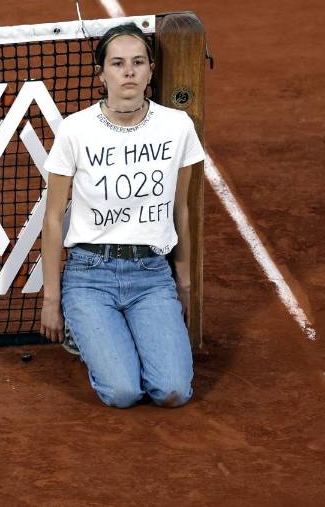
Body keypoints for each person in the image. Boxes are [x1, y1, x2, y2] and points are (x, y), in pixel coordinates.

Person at [41, 22, 205, 408]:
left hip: (151, 276)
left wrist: (183, 284)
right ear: (102, 74)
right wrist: (52, 300)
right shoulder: (75, 130)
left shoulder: (177, 127)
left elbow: (179, 208)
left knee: (173, 392)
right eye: (117, 63)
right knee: (123, 392)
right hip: (89, 275)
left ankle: (118, 334)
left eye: (137, 62)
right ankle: (86, 331)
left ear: (151, 70)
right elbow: (52, 219)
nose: (128, 71)